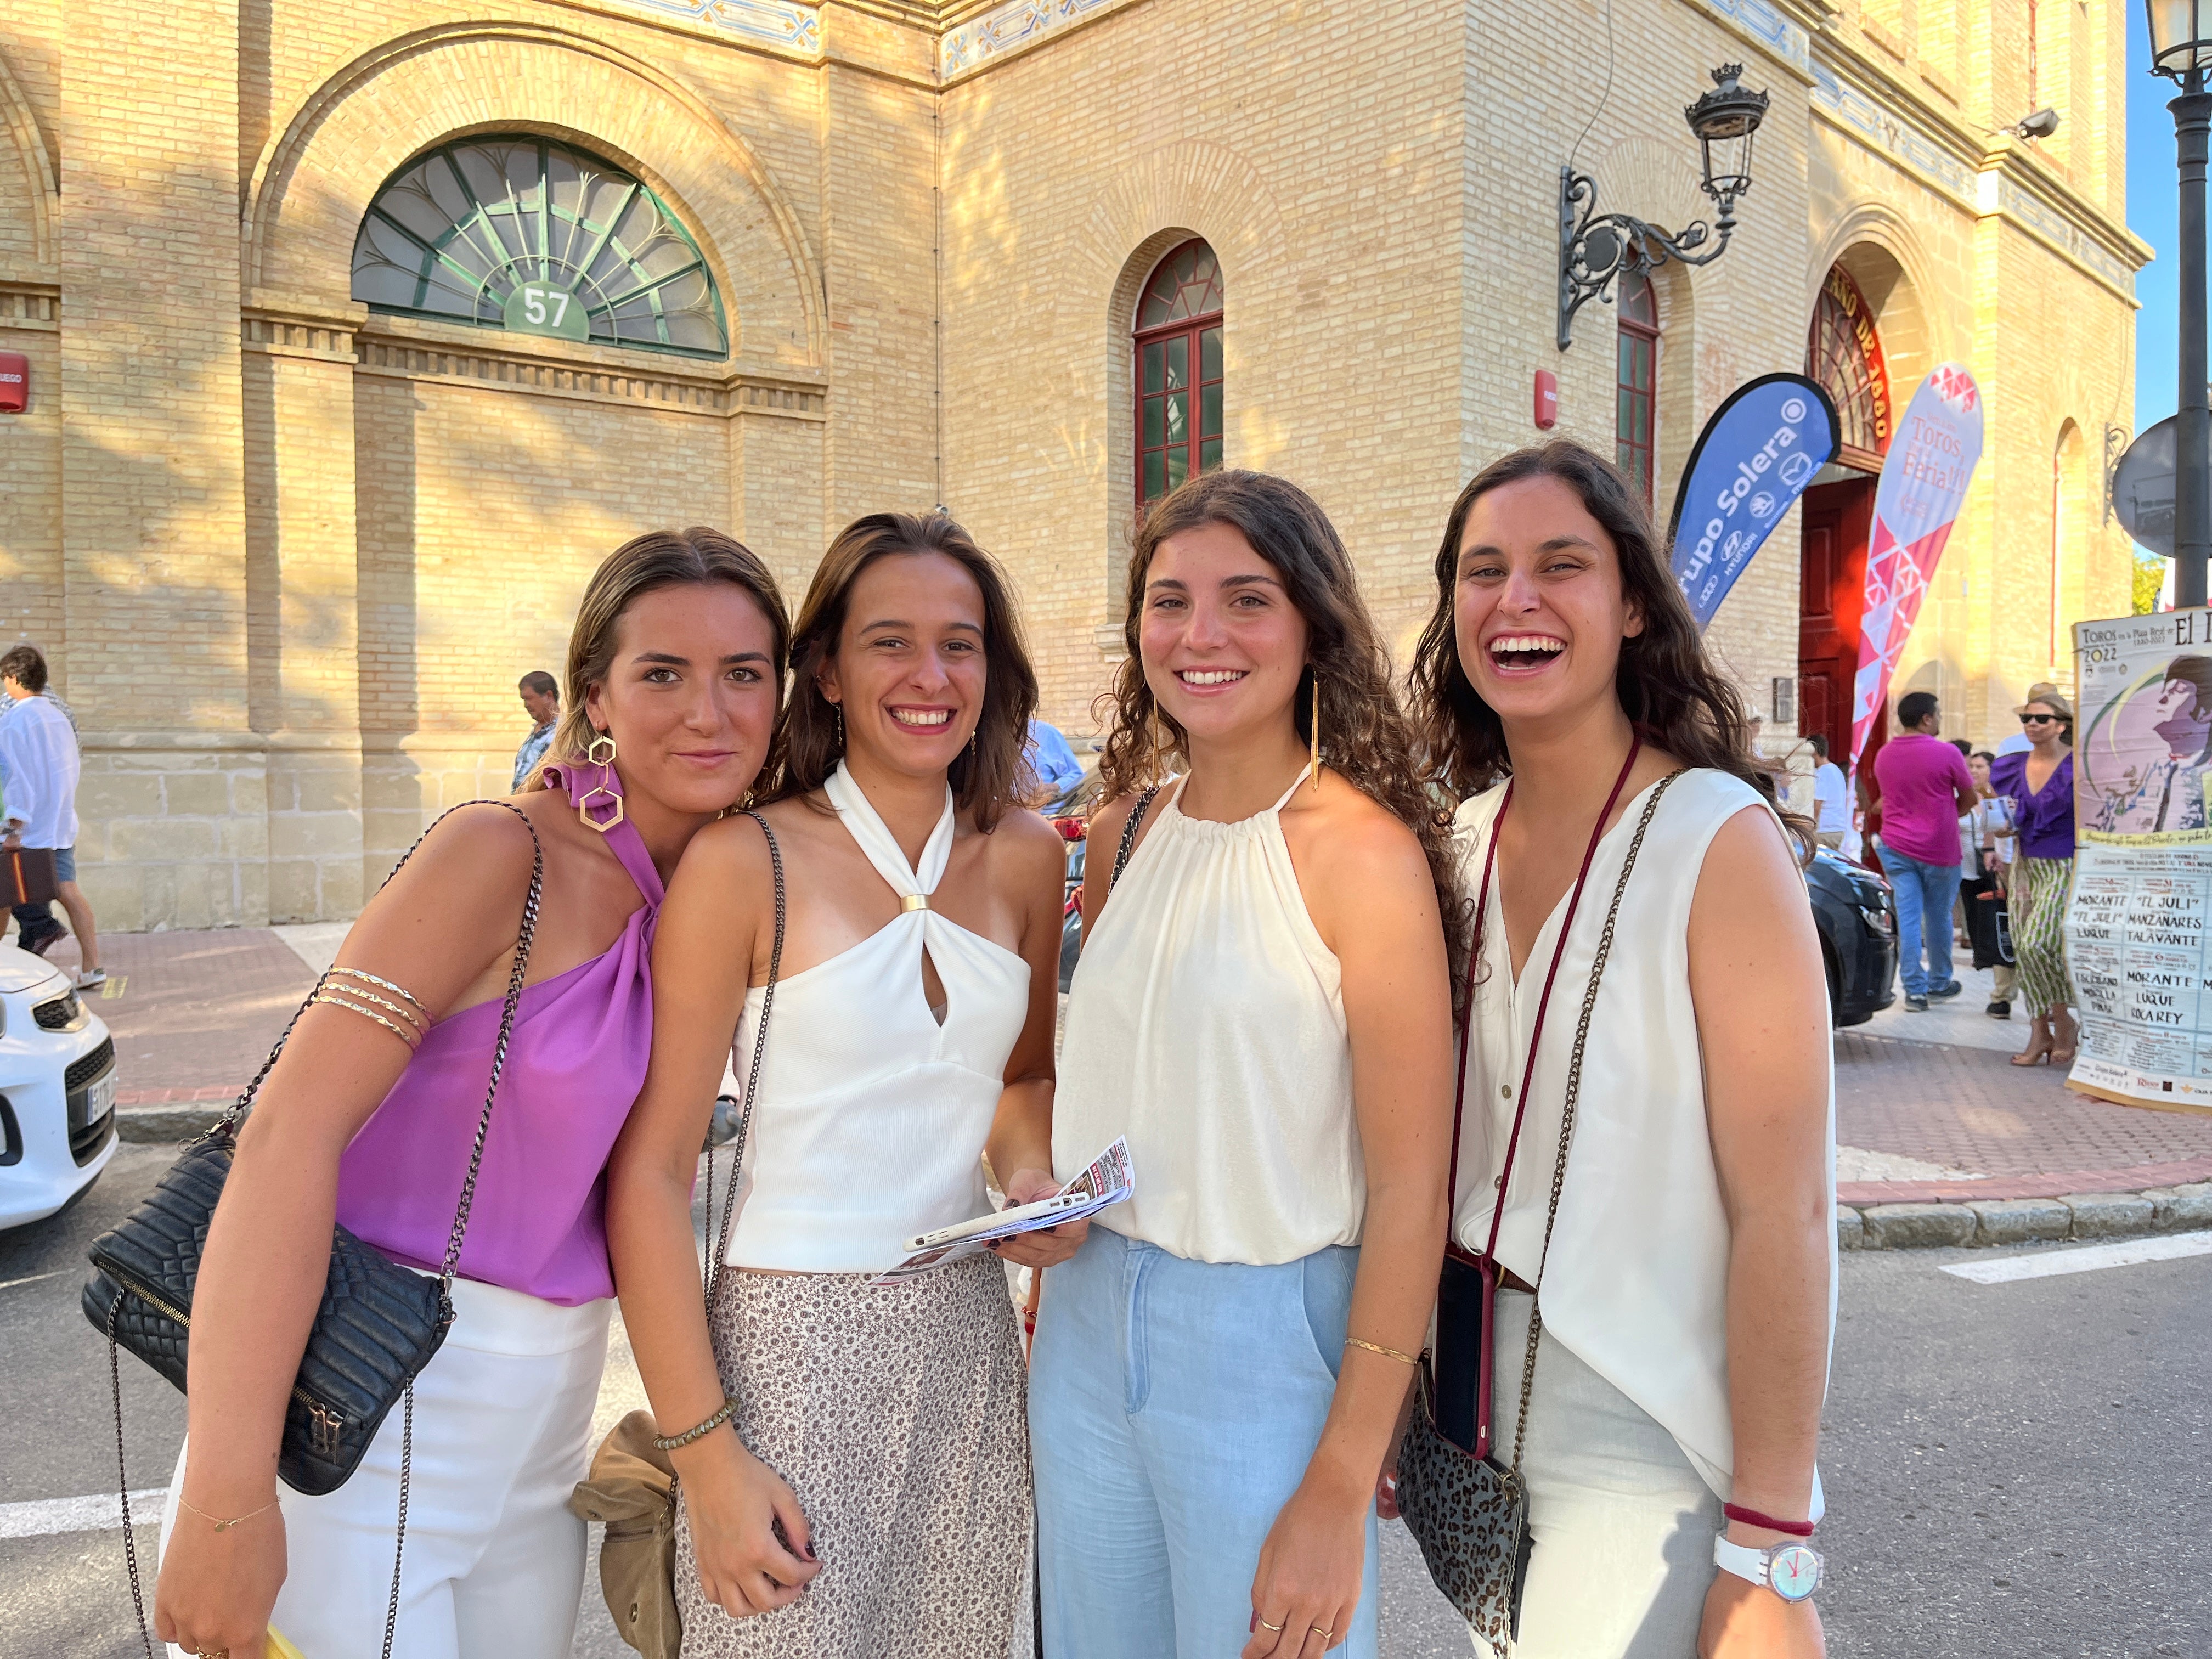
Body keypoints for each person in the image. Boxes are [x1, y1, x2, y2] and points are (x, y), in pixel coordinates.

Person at [152, 529, 789, 1659]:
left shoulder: (721, 879)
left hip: (544, 1445)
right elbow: (287, 1135)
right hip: (363, 1427)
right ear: (593, 692)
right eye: (662, 674)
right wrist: (224, 1492)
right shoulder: (500, 853)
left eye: (744, 673)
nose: (709, 712)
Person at [609, 511, 1073, 1657]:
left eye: (959, 645)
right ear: (825, 666)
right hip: (785, 1352)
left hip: (967, 1344)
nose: (930, 676)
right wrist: (706, 1455)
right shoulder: (743, 859)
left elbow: (1024, 1076)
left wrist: (1027, 1177)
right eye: (889, 643)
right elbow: (653, 1175)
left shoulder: (1025, 853)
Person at [1402, 441, 1833, 1659]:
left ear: (1633, 603)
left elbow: (1787, 1211)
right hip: (1474, 1406)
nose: (1516, 600)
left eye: (1561, 566)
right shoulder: (1455, 841)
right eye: (1482, 571)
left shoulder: (1716, 838)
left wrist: (1770, 1549)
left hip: (1643, 1420)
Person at [1032, 470, 1454, 1659]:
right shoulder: (1123, 832)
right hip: (1082, 1318)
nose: (1199, 636)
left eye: (1245, 600)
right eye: (1169, 602)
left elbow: (1413, 1187)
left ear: (1312, 623)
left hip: (1270, 1338)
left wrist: (1343, 1472)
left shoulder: (1362, 856)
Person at [0, 644, 102, 988]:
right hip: (58, 823)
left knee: (2, 895)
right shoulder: (59, 715)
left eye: (5, 679)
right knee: (69, 891)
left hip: (26, 828)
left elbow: (18, 776)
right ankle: (92, 967)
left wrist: (13, 826)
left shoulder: (15, 718)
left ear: (14, 678)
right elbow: (68, 769)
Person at [1870, 691, 1976, 1011]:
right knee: (1939, 916)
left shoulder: (1884, 755)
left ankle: (1914, 991)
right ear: (1927, 718)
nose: (1940, 721)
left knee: (1909, 916)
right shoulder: (1948, 754)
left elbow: (1887, 798)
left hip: (1896, 846)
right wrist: (1948, 814)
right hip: (1939, 849)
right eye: (1938, 715)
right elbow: (1970, 799)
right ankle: (1939, 982)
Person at [1990, 690, 2078, 1066]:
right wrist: (2001, 832)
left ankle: (2064, 1022)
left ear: (2061, 725)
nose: (2031, 725)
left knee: (2040, 943)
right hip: (2026, 865)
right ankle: (2039, 1030)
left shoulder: (2080, 765)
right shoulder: (2012, 766)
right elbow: (2004, 820)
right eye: (2026, 719)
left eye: (2040, 719)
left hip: (2065, 865)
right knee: (2024, 949)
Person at [2094, 656, 2212, 832]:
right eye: (2165, 690)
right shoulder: (2154, 769)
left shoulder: (2204, 770)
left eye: (2179, 690)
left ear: (2208, 710)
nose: (2162, 699)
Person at [1960, 752, 2018, 1019]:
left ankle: (2053, 1000)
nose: (1973, 771)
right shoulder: (1979, 794)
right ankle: (2002, 995)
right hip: (2004, 864)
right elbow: (1991, 826)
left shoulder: (2006, 788)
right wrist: (1989, 849)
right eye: (1970, 766)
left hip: (2026, 861)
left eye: (1979, 766)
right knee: (2003, 925)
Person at [1024, 715, 1087, 810]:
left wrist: (1052, 787)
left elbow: (1076, 776)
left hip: (1044, 816)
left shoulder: (1046, 733)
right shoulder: (995, 736)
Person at [513, 670, 561, 792]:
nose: (526, 705)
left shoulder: (563, 732)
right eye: (523, 699)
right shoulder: (536, 730)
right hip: (521, 806)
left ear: (549, 696)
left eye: (529, 699)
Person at [1808, 733, 1848, 851]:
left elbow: (1817, 805)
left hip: (1824, 830)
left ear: (1815, 751)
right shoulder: (1837, 770)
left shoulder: (1822, 773)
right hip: (1838, 829)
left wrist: (1811, 828)